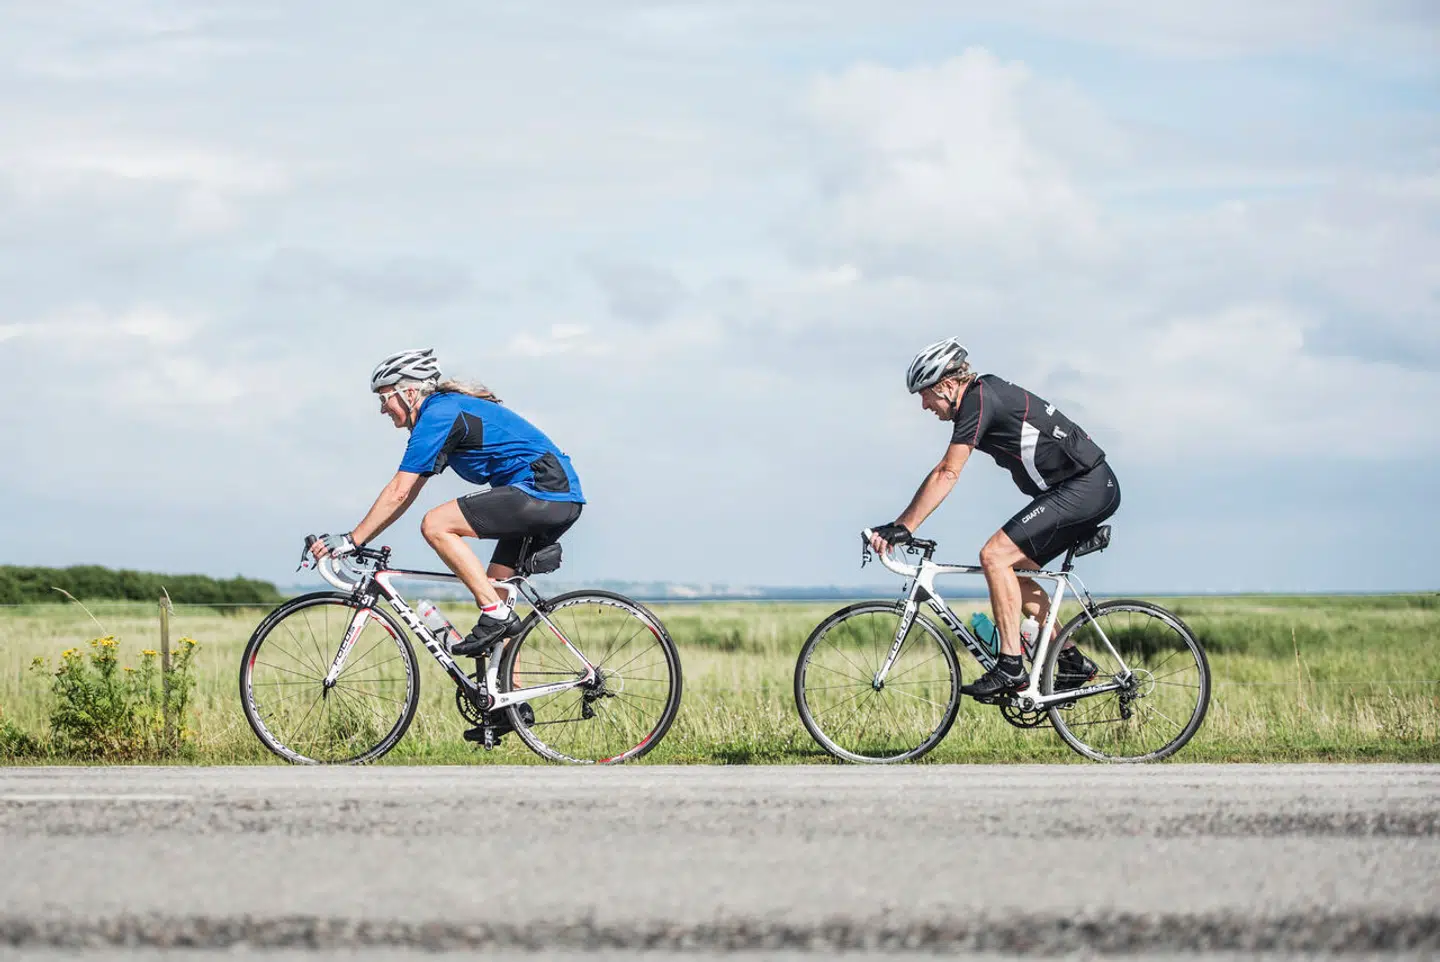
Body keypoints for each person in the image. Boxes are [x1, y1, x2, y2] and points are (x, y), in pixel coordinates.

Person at [868, 338, 1120, 699]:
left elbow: (947, 472)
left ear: (948, 385)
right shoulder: (981, 397)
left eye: (925, 394)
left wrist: (904, 526)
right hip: (1079, 488)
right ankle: (1071, 661)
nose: (924, 405)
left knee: (994, 555)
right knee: (1011, 572)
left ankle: (1010, 666)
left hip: (1086, 485)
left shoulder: (979, 398)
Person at [310, 348, 585, 661]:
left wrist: (351, 540)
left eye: (384, 397)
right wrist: (359, 538)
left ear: (409, 392)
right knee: (496, 592)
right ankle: (510, 703)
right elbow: (408, 492)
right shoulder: (443, 414)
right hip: (553, 496)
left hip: (544, 491)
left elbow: (399, 490)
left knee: (436, 524)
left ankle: (495, 613)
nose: (383, 409)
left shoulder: (440, 413)